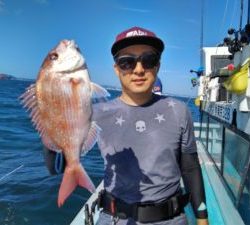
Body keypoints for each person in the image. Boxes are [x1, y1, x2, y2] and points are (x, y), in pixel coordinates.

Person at [44, 26, 209, 225]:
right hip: (114, 218)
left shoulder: (179, 110)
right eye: (127, 62)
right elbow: (55, 168)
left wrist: (202, 217)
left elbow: (190, 168)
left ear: (157, 66)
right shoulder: (95, 113)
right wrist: (51, 122)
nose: (138, 69)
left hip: (171, 219)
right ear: (116, 69)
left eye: (148, 60)